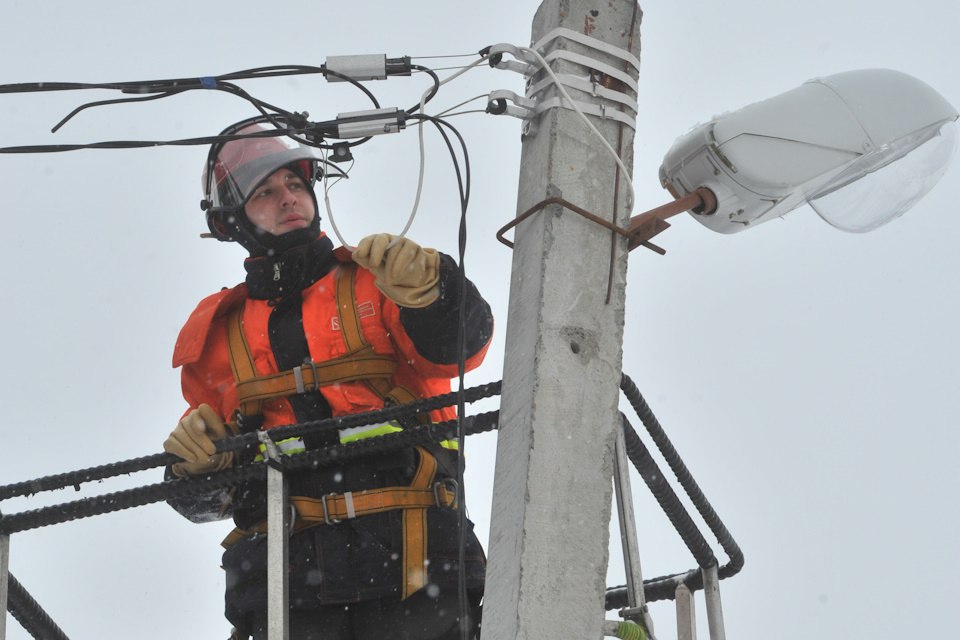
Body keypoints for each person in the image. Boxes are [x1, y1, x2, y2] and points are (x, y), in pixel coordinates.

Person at [161, 121, 493, 640]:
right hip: (287, 588)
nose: (287, 198)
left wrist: (438, 289)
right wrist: (193, 471)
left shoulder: (379, 279)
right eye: (265, 192)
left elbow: (459, 349)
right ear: (232, 220)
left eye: (294, 184)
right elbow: (202, 499)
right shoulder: (219, 335)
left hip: (416, 566)